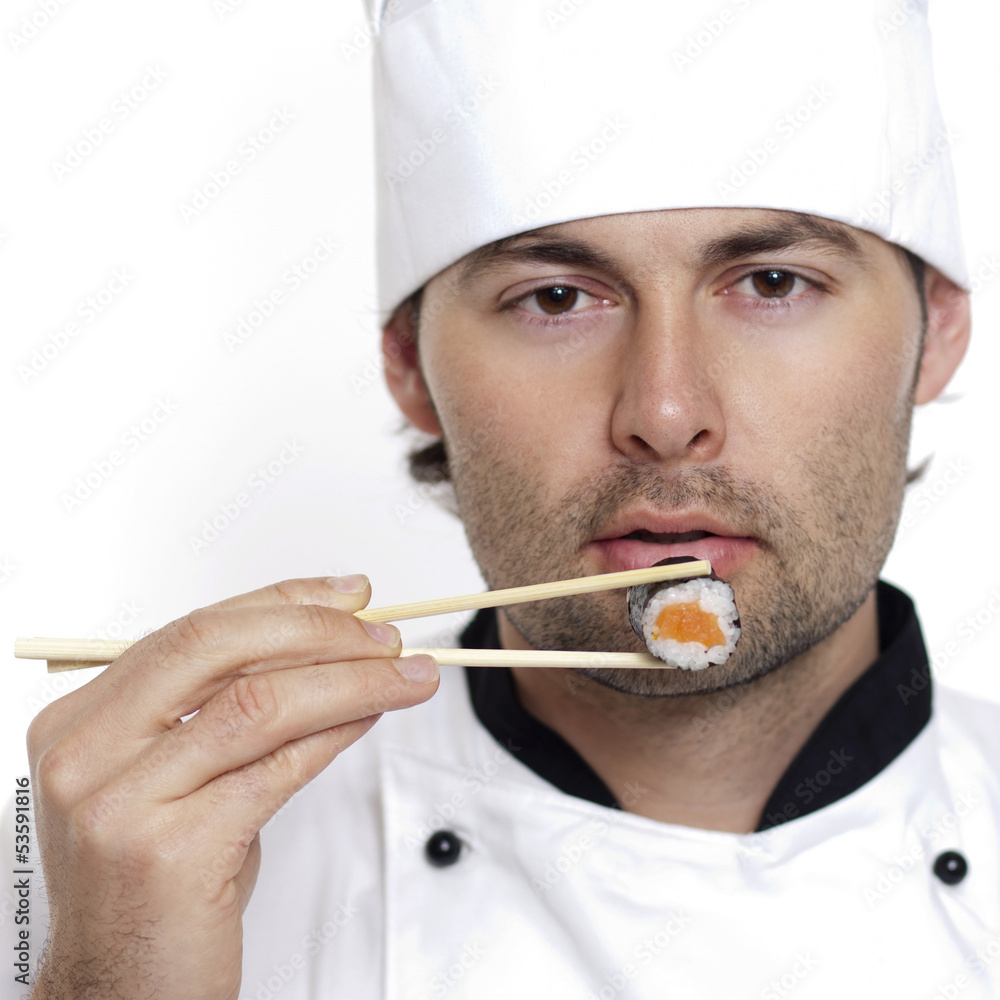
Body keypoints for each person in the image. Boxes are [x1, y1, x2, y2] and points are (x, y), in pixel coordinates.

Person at [18, 1, 1000, 998]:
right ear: (409, 365)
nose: (665, 413)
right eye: (555, 298)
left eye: (774, 283)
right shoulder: (123, 883)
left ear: (940, 327)